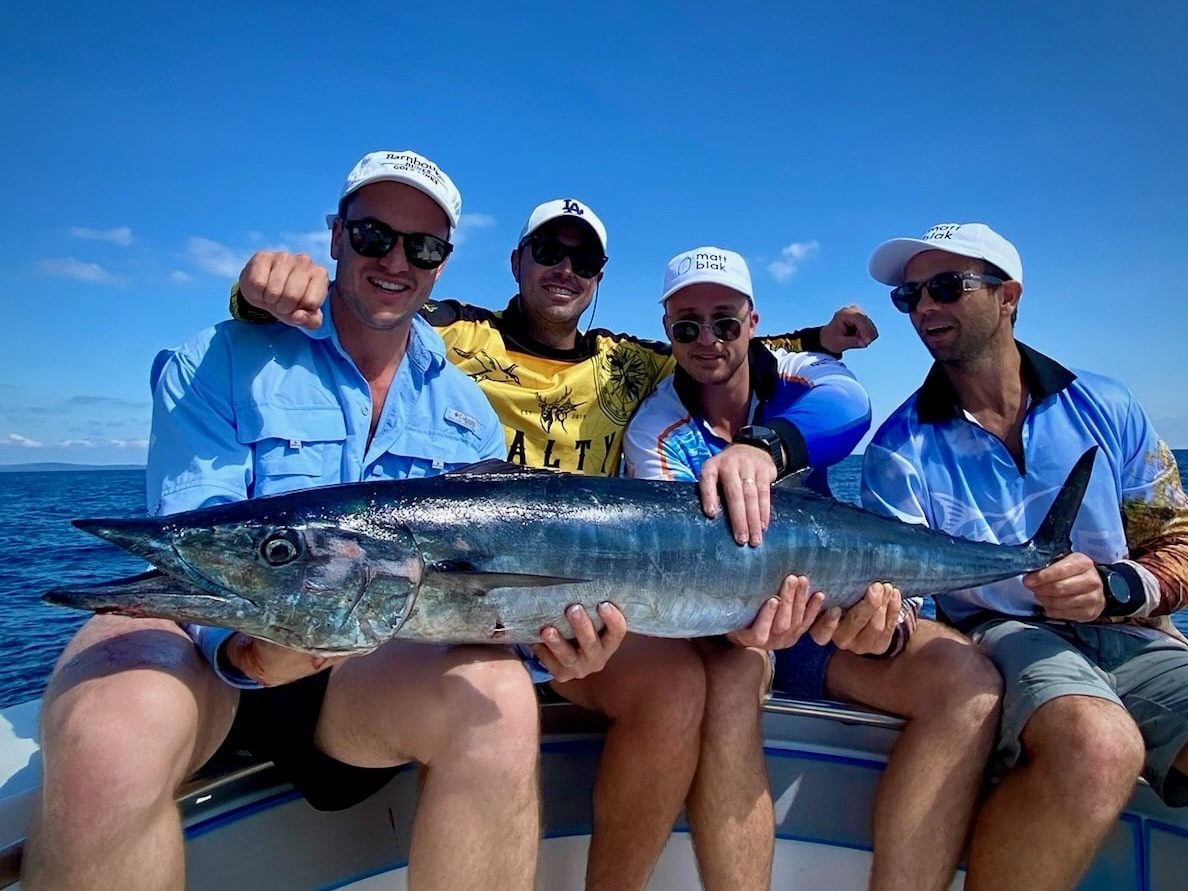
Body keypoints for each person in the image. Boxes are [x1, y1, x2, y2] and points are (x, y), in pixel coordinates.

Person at [233, 204, 877, 890]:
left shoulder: (626, 364)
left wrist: (819, 338)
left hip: (567, 597)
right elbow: (370, 303)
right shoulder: (457, 334)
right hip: (463, 578)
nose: (564, 268)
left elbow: (723, 341)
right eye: (548, 250)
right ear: (517, 261)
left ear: (600, 277)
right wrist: (254, 294)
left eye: (584, 258)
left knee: (681, 684)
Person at [23, 151, 550, 891]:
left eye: (422, 246)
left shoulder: (468, 413)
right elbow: (197, 541)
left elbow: (482, 599)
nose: (395, 259)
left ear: (443, 263)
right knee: (107, 733)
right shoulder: (216, 356)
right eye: (373, 235)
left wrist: (553, 646)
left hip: (362, 678)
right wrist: (241, 650)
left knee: (499, 702)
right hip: (211, 653)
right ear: (335, 235)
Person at [624, 246, 1004, 891]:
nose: (708, 341)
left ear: (753, 321)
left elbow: (850, 405)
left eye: (725, 321)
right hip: (727, 629)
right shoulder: (657, 427)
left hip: (830, 617)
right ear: (668, 332)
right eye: (687, 328)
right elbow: (678, 573)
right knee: (735, 680)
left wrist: (762, 449)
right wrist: (742, 631)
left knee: (967, 682)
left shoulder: (804, 373)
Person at [861, 221, 1188, 890]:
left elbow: (1178, 539)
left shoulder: (1108, 405)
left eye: (947, 286)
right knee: (1099, 745)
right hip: (1002, 632)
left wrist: (1118, 587)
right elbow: (901, 599)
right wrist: (878, 624)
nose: (924, 307)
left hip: (1132, 628)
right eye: (910, 296)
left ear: (1009, 296)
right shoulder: (899, 447)